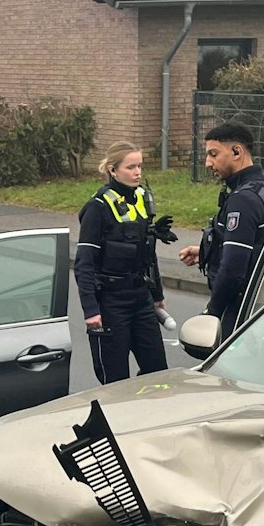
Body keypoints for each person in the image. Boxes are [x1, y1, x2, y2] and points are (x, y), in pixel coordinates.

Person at [76, 142, 172, 383]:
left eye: (139, 166)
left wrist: (157, 295)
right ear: (112, 170)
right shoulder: (97, 208)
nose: (137, 172)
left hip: (141, 297)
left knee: (158, 373)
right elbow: (84, 263)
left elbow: (148, 254)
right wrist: (91, 310)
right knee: (115, 380)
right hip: (111, 302)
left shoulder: (141, 199)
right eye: (130, 167)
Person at [179, 122, 264, 338]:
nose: (208, 163)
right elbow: (257, 245)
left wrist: (212, 313)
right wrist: (207, 251)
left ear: (236, 152)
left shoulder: (243, 199)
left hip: (241, 308)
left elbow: (233, 268)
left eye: (213, 154)